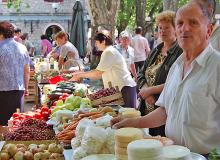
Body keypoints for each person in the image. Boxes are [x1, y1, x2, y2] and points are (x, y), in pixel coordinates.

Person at [111, 2, 219, 156]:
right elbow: (165, 110)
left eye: (193, 22)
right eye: (180, 23)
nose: (184, 28)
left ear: (208, 30)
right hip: (172, 154)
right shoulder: (177, 66)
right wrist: (134, 122)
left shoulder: (216, 67)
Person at [137, 11, 183, 136]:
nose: (162, 31)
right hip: (145, 107)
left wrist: (151, 91)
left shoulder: (181, 52)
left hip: (164, 112)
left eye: (167, 27)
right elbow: (141, 74)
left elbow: (177, 82)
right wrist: (146, 93)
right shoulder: (155, 50)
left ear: (176, 29)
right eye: (160, 28)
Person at [70, 30, 137, 108]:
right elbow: (98, 74)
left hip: (125, 89)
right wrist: (81, 75)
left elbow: (97, 73)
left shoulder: (109, 52)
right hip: (123, 89)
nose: (96, 45)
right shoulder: (109, 51)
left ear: (103, 41)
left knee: (127, 116)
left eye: (97, 42)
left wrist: (79, 75)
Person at [0, 21, 30, 125]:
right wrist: (26, 88)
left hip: (2, 92)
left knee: (3, 125)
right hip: (19, 91)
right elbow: (27, 70)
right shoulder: (22, 47)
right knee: (17, 125)